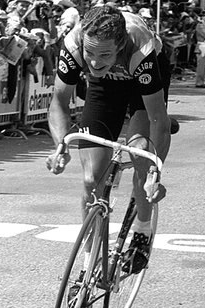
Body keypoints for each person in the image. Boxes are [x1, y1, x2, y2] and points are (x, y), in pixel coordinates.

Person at [46, 5, 170, 275]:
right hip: (105, 87)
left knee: (139, 151)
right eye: (90, 53)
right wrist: (60, 147)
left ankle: (142, 230)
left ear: (120, 45)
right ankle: (90, 260)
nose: (94, 61)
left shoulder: (140, 47)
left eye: (104, 54)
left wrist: (154, 171)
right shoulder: (74, 43)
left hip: (141, 87)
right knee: (92, 179)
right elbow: (58, 102)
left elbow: (158, 119)